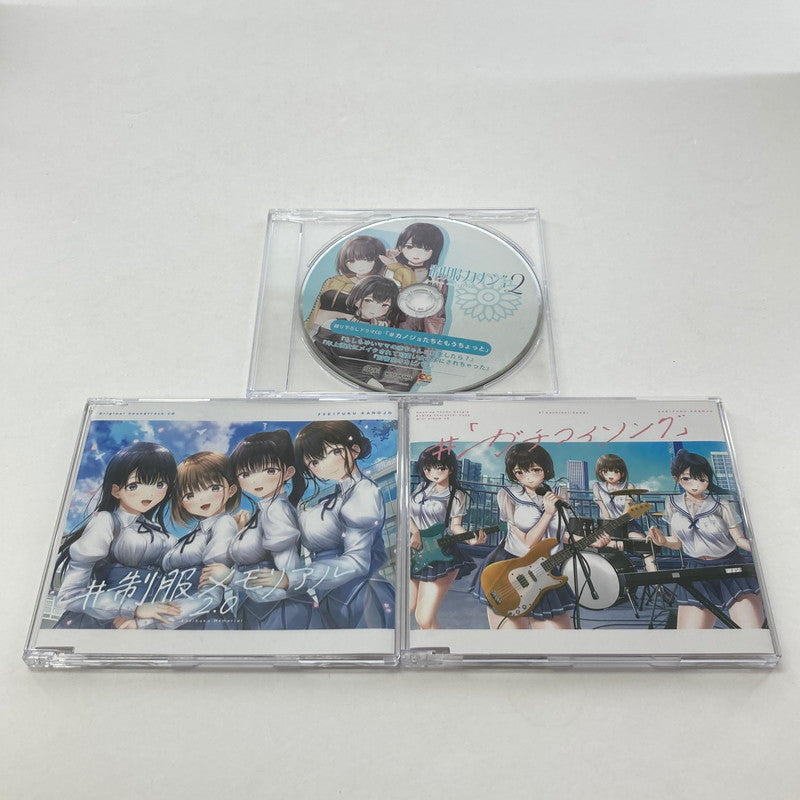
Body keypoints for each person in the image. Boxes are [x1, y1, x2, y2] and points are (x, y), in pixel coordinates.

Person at [248, 421, 395, 629]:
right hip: (331, 599)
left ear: (354, 450)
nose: (324, 464)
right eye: (314, 462)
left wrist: (292, 578)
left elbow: (357, 562)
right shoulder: (333, 499)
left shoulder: (364, 492)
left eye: (333, 452)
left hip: (363, 598)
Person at [473, 443, 609, 630]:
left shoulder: (559, 494)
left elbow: (558, 535)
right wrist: (548, 513)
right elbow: (528, 542)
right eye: (520, 472)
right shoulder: (508, 495)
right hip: (511, 568)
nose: (528, 476)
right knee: (511, 640)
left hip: (546, 568)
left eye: (535, 470)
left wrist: (590, 541)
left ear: (546, 469)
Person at [54, 442, 180, 629]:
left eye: (159, 484)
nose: (149, 493)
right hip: (97, 622)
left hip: (141, 624)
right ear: (116, 490)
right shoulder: (106, 521)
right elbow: (69, 596)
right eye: (135, 485)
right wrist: (132, 608)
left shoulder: (161, 533)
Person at [201, 431, 314, 630]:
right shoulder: (265, 511)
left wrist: (231, 578)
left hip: (280, 614)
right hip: (258, 612)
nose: (255, 481)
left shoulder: (276, 510)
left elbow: (291, 581)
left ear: (288, 472)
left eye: (269, 470)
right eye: (245, 474)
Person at [647, 450, 763, 629]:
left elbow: (739, 539)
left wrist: (763, 550)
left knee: (752, 631)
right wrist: (663, 541)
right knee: (691, 637)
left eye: (701, 479)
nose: (695, 485)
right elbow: (677, 542)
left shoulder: (721, 504)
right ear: (677, 478)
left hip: (731, 567)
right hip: (696, 570)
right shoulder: (672, 503)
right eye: (687, 479)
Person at [152, 452, 240, 629]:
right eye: (190, 495)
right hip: (175, 613)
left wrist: (153, 621)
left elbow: (211, 591)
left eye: (214, 487)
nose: (201, 498)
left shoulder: (224, 523)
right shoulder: (194, 533)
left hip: (200, 618)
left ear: (231, 490)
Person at [409, 445, 485, 629]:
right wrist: (415, 532)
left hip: (440, 554)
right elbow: (407, 514)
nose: (433, 473)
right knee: (407, 607)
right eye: (428, 469)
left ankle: (441, 646)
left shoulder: (456, 495)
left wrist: (470, 539)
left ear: (450, 468)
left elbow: (455, 526)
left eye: (439, 468)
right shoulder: (422, 487)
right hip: (416, 551)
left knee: (424, 619)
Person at [312, 275, 419, 391]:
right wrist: (364, 380)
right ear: (356, 300)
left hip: (367, 385)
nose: (375, 309)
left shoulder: (384, 332)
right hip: (332, 380)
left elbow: (379, 367)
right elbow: (319, 360)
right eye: (369, 301)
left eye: (385, 305)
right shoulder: (333, 325)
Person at [305, 235, 387, 330]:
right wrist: (306, 327)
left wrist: (392, 265)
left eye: (366, 259)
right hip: (316, 329)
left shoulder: (380, 287)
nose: (359, 265)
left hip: (349, 334)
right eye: (351, 261)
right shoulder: (334, 281)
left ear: (378, 259)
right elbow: (315, 309)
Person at [380, 222, 448, 335]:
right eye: (409, 247)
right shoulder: (388, 269)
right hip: (383, 325)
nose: (416, 253)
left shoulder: (438, 281)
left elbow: (437, 318)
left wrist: (430, 341)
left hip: (413, 332)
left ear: (435, 250)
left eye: (425, 248)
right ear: (401, 247)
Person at [592, 453, 656, 572]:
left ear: (622, 473)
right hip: (606, 524)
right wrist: (613, 536)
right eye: (606, 471)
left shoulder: (628, 486)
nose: (610, 475)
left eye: (615, 471)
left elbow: (626, 514)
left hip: (627, 524)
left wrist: (619, 536)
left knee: (645, 545)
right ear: (600, 472)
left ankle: (654, 576)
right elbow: (605, 513)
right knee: (599, 546)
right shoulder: (597, 487)